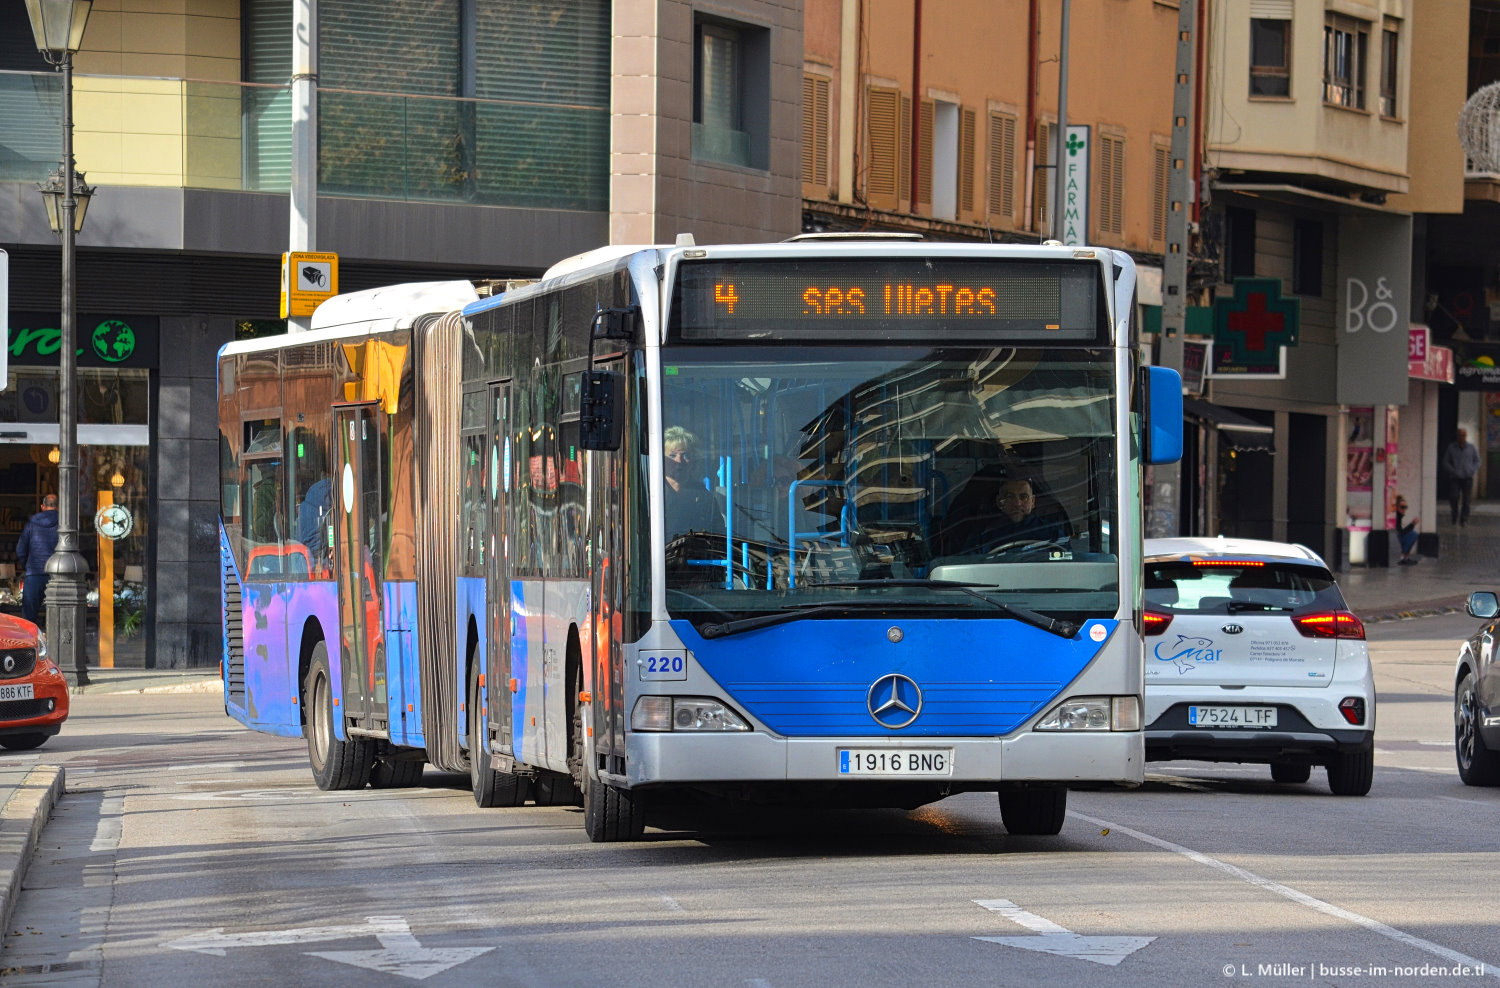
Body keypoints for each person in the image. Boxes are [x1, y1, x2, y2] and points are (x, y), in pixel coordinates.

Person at [961, 477, 1067, 554]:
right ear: (999, 501)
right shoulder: (982, 535)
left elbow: (1066, 563)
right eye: (1010, 497)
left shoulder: (1052, 533)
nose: (1017, 503)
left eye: (1024, 497)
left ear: (1033, 501)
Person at [662, 426, 719, 538]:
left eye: (686, 455)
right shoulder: (651, 495)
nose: (679, 461)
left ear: (693, 461)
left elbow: (717, 534)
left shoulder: (704, 497)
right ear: (661, 459)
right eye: (672, 455)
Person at [15, 494, 59, 627]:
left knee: (29, 619)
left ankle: (31, 646)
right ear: (58, 507)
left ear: (42, 507)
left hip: (34, 574)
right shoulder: (65, 523)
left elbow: (20, 549)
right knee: (60, 615)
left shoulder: (32, 524)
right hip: (58, 575)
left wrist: (28, 566)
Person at [1442, 428, 1480, 526]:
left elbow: (1478, 461)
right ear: (1457, 436)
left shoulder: (1471, 448)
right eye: (1460, 435)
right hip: (1455, 477)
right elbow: (1446, 462)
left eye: (1463, 435)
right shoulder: (1452, 448)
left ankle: (1464, 519)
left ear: (1466, 436)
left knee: (1467, 500)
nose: (1462, 437)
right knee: (1453, 497)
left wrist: (1472, 469)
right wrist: (1453, 470)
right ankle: (1454, 514)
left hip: (1467, 477)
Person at [1394, 494, 1419, 565]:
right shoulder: (1396, 516)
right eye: (1402, 507)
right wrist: (1412, 524)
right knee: (1413, 534)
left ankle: (1405, 557)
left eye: (1405, 507)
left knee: (1412, 534)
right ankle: (1403, 557)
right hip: (1396, 538)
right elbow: (1401, 533)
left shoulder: (1399, 516)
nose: (1404, 509)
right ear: (1397, 507)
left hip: (1397, 537)